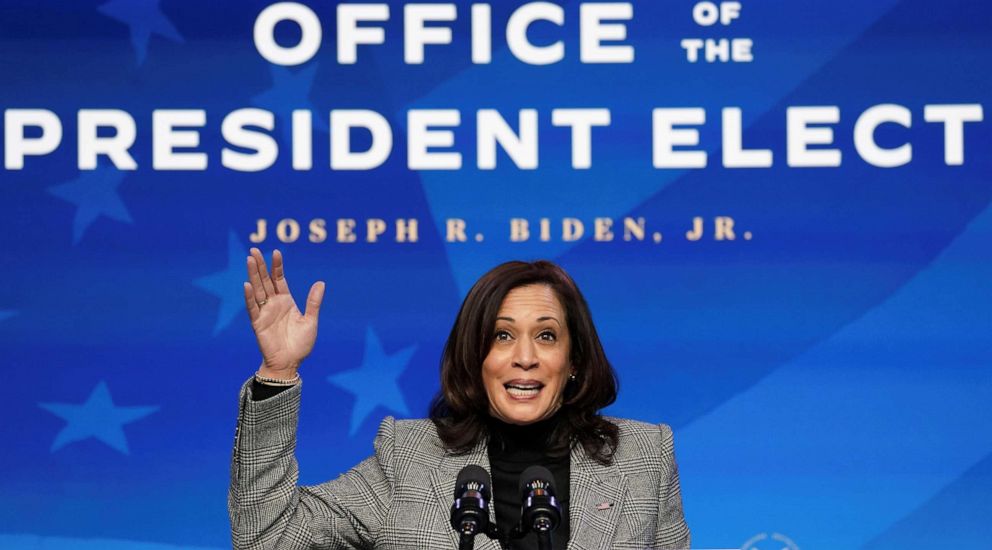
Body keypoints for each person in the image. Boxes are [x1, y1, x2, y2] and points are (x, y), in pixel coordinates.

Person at [229, 248, 690, 549]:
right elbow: (269, 536)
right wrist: (278, 371)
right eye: (502, 336)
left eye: (546, 336)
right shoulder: (409, 457)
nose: (524, 358)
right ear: (476, 356)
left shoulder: (643, 458)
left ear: (573, 360)